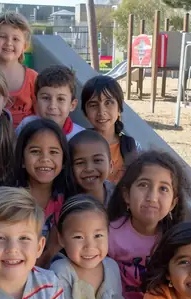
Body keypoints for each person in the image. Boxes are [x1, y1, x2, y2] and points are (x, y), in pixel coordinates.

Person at [107, 150, 189, 299]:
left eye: (163, 189)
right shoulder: (109, 235)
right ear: (126, 195)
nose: (152, 197)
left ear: (173, 203)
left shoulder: (177, 241)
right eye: (143, 185)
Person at [10, 118, 76, 268]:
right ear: (21, 159)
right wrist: (51, 249)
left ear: (64, 160)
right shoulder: (10, 202)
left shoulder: (68, 202)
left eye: (53, 152)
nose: (45, 159)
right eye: (35, 151)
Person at [81, 76, 140, 183]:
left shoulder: (131, 147)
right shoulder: (80, 144)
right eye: (93, 105)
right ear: (85, 113)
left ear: (119, 109)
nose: (101, 111)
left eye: (108, 103)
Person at [0, 12, 37, 128]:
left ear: (24, 46)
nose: (9, 43)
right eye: (3, 36)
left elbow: (40, 114)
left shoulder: (33, 78)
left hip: (24, 138)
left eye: (16, 39)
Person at [16, 65, 85, 140]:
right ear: (36, 101)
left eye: (60, 99)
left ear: (72, 105)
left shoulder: (80, 136)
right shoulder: (26, 125)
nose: (52, 106)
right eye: (46, 98)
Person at [69, 130, 114, 208]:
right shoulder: (63, 201)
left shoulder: (120, 198)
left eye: (97, 160)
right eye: (80, 163)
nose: (89, 168)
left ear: (111, 166)